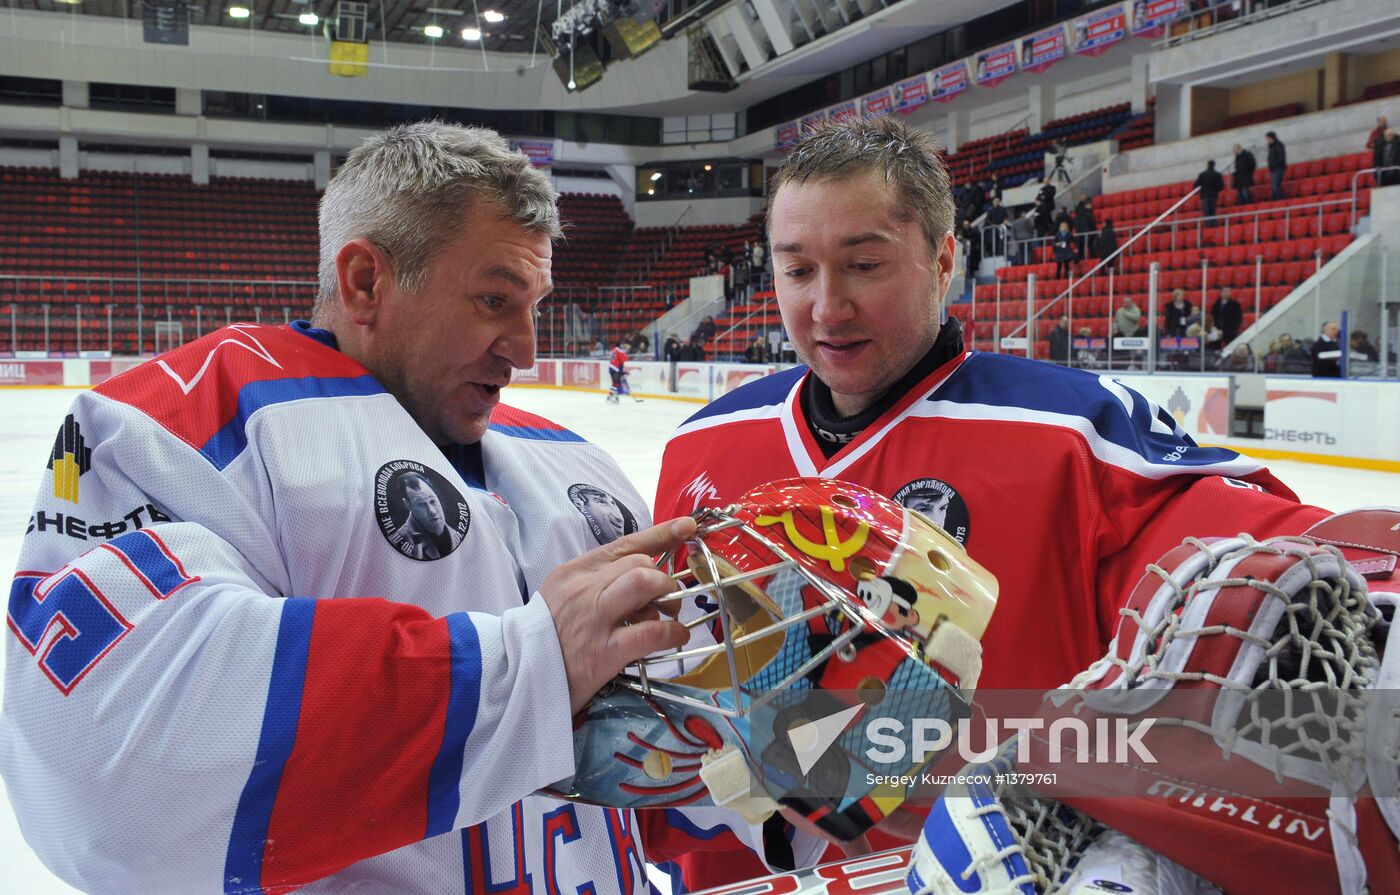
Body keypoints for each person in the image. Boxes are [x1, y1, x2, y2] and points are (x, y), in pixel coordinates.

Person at [0, 122, 739, 892]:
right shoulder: (185, 418)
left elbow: (656, 774)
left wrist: (809, 762)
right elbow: (102, 768)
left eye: (534, 305)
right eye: (494, 299)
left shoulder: (575, 459)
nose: (525, 347)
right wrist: (530, 665)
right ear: (364, 282)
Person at [651, 116, 1348, 892]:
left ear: (943, 259)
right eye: (797, 271)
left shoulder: (1075, 435)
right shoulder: (702, 449)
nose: (827, 306)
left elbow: (1297, 576)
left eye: (865, 264)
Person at [1265, 130, 1287, 200]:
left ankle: (1279, 199)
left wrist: (1274, 164)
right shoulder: (1271, 146)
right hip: (1274, 169)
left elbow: (1281, 157)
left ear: (1272, 138)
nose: (1267, 140)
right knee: (1274, 185)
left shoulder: (1279, 145)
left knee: (1275, 185)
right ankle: (1275, 199)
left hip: (1278, 168)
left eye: (1267, 138)